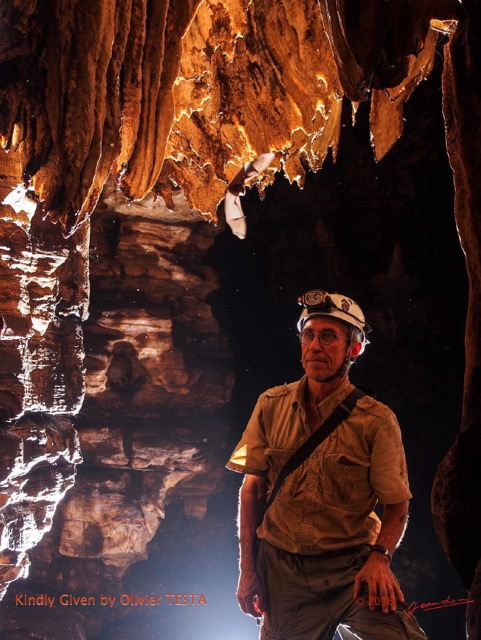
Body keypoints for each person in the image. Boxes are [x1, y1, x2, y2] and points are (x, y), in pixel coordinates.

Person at [226, 289, 427, 640]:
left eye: (328, 336)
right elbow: (252, 489)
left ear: (354, 349)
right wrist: (247, 569)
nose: (315, 346)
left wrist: (380, 558)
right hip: (284, 572)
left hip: (353, 568)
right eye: (309, 335)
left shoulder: (376, 421)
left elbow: (397, 502)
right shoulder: (270, 405)